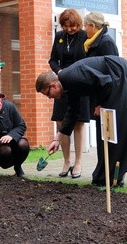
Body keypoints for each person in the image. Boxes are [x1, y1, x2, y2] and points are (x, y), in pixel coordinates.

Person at [36, 55, 127, 187]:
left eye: (47, 94)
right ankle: (106, 177)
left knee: (114, 129)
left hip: (120, 74)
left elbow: (106, 82)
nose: (49, 98)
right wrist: (57, 139)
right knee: (104, 132)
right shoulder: (67, 83)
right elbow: (73, 111)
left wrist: (100, 103)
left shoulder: (71, 77)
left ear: (53, 85)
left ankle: (114, 177)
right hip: (113, 80)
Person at [48, 9, 89, 179]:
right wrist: (59, 71)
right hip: (62, 84)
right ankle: (66, 161)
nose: (70, 29)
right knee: (60, 122)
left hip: (81, 83)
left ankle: (78, 162)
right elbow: (52, 60)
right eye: (66, 26)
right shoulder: (59, 36)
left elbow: (88, 58)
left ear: (78, 24)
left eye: (72, 26)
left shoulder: (85, 36)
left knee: (78, 123)